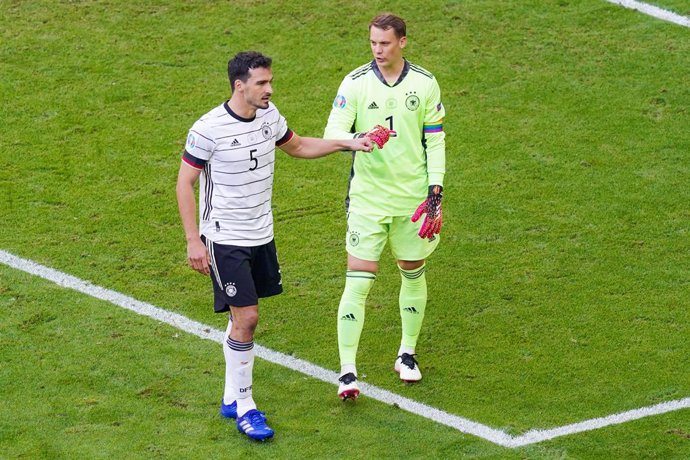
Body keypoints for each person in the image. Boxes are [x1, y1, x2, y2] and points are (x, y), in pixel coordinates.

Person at [176, 51, 375, 440]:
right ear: (240, 85)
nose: (270, 89)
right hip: (224, 238)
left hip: (261, 235)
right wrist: (193, 240)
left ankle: (231, 395)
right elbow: (185, 183)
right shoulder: (208, 129)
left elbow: (297, 146)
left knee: (240, 318)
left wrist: (348, 144)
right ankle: (246, 407)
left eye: (270, 82)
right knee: (248, 318)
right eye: (262, 83)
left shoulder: (269, 116)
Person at [324, 13, 447, 400]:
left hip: (412, 200)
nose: (378, 50)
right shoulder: (355, 83)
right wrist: (360, 137)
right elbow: (333, 134)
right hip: (368, 199)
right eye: (373, 43)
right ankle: (347, 372)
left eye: (385, 43)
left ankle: (407, 354)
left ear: (403, 42)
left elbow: (436, 140)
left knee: (412, 272)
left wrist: (435, 193)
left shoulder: (425, 83)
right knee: (358, 280)